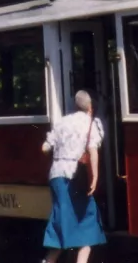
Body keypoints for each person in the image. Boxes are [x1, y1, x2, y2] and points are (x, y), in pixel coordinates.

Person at [40, 90, 106, 263]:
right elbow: (93, 152)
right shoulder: (91, 123)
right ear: (90, 106)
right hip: (76, 177)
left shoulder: (61, 122)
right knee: (87, 224)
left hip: (56, 175)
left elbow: (45, 147)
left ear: (74, 106)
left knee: (62, 223)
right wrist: (95, 177)